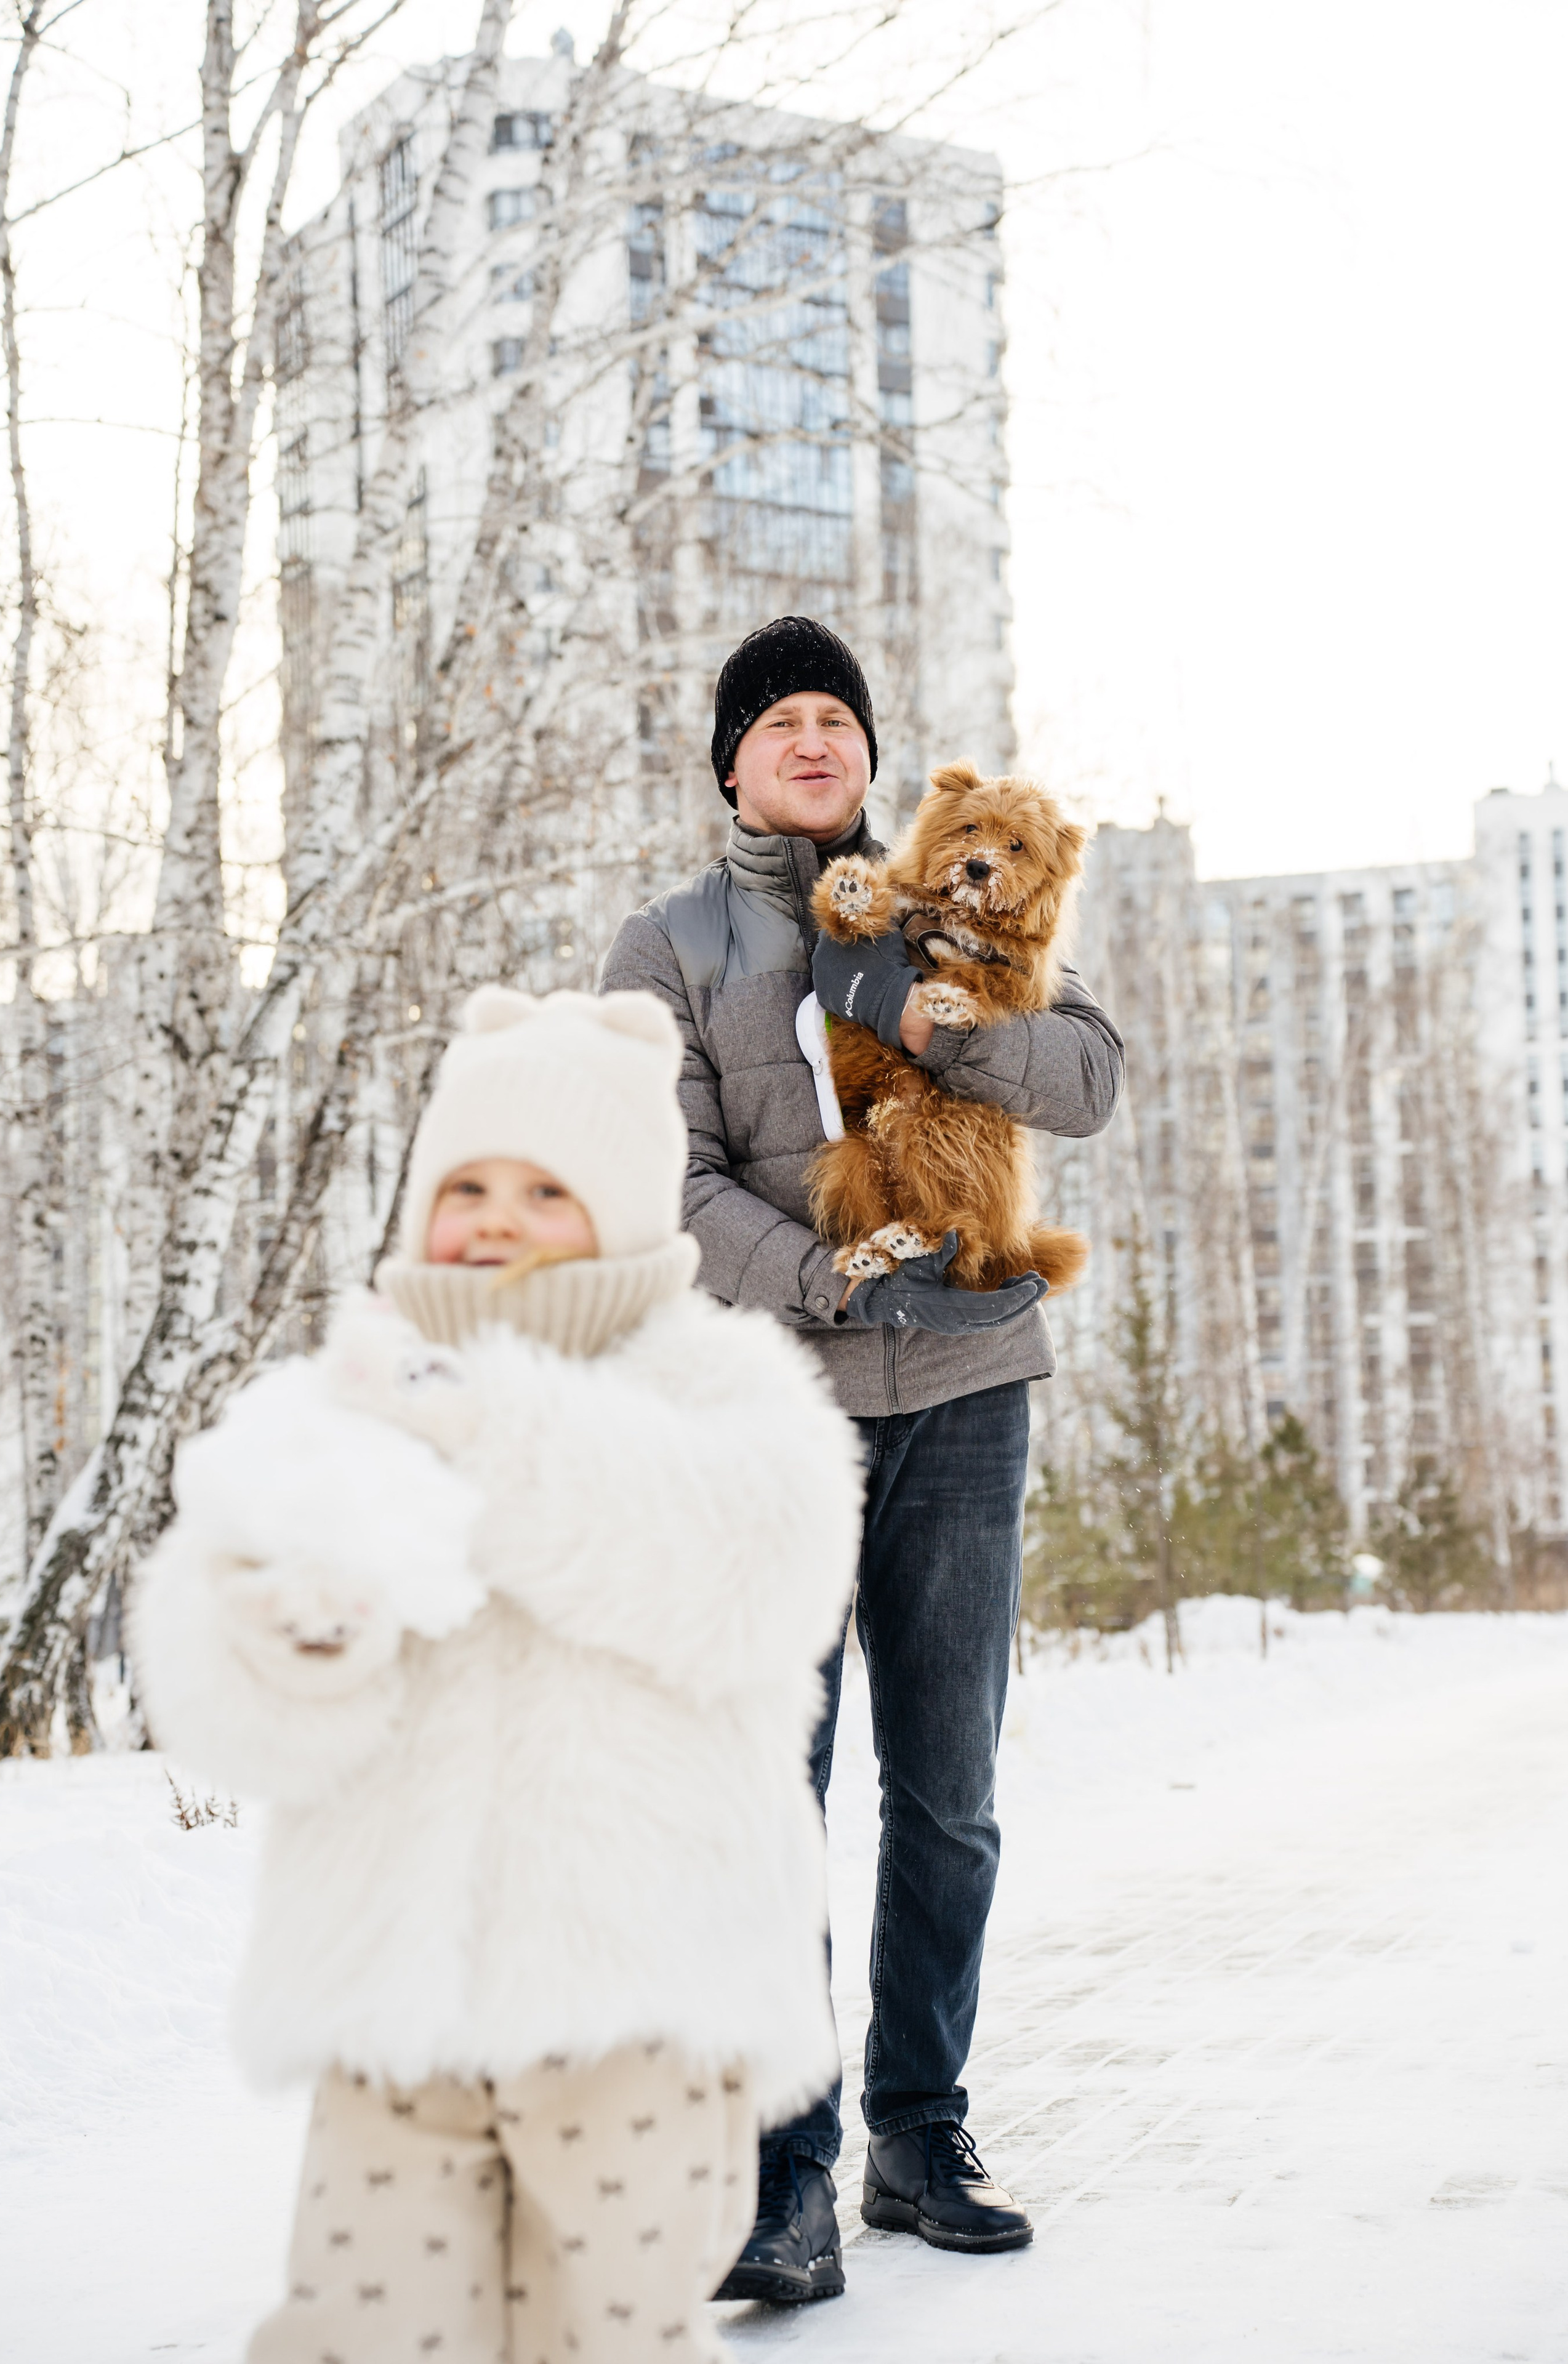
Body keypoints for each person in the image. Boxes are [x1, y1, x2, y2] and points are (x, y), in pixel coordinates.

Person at [131, 986, 862, 2363]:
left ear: (627, 1206)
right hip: (396, 1999)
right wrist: (292, 1639)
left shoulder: (719, 1385)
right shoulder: (346, 1397)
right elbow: (223, 1692)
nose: (497, 1219)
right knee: (366, 2324)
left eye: (546, 1190)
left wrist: (493, 1433)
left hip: (640, 1999)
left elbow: (754, 1581)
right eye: (467, 1185)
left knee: (609, 2327)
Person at [601, 616, 1124, 2302]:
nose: (815, 739)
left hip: (966, 1391)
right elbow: (661, 1179)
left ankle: (918, 2133)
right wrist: (830, 1278)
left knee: (948, 1794)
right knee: (775, 1799)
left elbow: (1087, 1077)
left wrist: (921, 1010)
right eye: (781, 721)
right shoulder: (669, 945)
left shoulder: (951, 891)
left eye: (837, 716)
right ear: (732, 764)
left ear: (871, 755)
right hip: (771, 1412)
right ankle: (784, 2182)